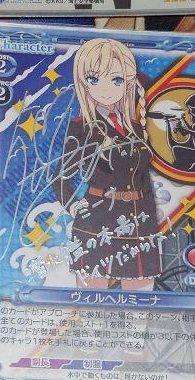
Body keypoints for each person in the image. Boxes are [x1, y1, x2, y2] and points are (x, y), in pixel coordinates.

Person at [56, 38, 163, 288]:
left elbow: (144, 177)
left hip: (139, 219)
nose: (106, 89)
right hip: (98, 218)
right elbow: (60, 177)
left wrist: (150, 216)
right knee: (93, 301)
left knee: (141, 298)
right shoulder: (81, 127)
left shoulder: (138, 127)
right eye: (94, 80)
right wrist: (73, 206)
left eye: (116, 80)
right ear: (84, 83)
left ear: (128, 82)